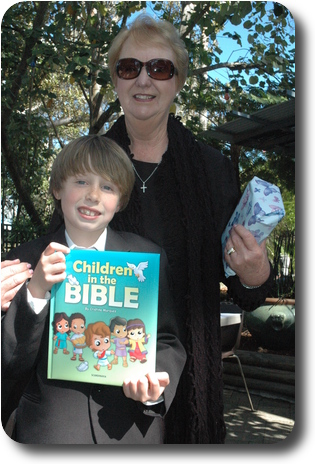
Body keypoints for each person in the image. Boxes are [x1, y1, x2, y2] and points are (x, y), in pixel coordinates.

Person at [1, 14, 272, 443]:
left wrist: (256, 273)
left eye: (159, 68)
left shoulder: (213, 171)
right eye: (130, 68)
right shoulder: (89, 165)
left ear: (178, 80)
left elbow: (241, 282)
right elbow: (57, 258)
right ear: (116, 78)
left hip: (184, 375)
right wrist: (16, 290)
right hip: (89, 389)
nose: (144, 79)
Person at [1, 135, 186, 444]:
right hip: (49, 432)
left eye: (108, 187)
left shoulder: (146, 259)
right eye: (82, 181)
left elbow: (167, 339)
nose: (94, 196)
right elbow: (9, 362)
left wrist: (155, 385)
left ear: (121, 200)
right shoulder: (23, 262)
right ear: (58, 188)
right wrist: (35, 293)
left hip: (129, 432)